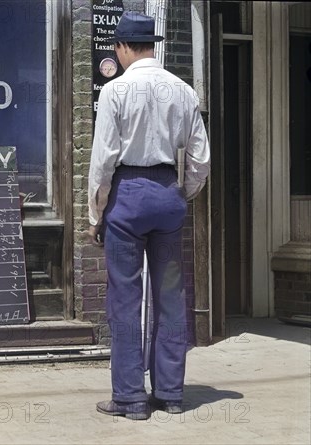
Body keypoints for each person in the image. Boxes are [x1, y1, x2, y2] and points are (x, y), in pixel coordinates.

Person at [88, 11, 210, 420]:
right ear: (153, 45)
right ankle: (171, 394)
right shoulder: (183, 90)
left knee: (124, 298)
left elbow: (103, 161)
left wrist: (95, 212)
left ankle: (130, 399)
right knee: (171, 295)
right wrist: (182, 194)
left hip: (127, 196)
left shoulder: (115, 92)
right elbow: (200, 159)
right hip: (166, 194)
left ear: (122, 47)